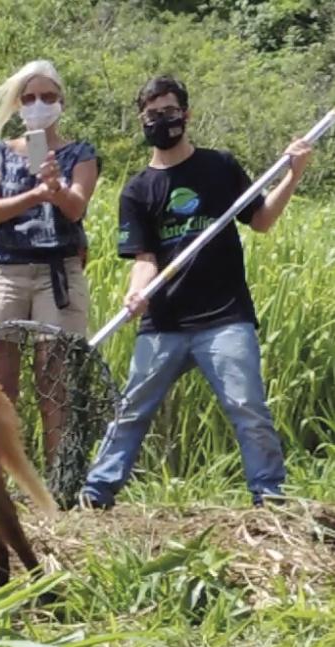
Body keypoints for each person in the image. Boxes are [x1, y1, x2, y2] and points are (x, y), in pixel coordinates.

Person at [77, 75, 314, 510]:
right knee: (131, 409)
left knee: (247, 406)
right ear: (141, 120)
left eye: (169, 112)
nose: (161, 121)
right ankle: (96, 493)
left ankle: (269, 494)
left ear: (185, 115)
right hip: (164, 322)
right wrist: (136, 292)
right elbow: (145, 258)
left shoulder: (220, 166)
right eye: (152, 114)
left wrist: (292, 176)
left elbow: (260, 220)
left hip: (225, 317)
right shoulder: (137, 190)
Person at [0, 59, 101, 462]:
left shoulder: (80, 153)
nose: (39, 104)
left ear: (61, 100)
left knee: (55, 380)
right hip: (4, 268)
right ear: (17, 104)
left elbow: (76, 208)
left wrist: (55, 186)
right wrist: (35, 195)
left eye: (48, 96)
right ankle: (0, 474)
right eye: (29, 98)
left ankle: (59, 477)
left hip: (58, 271)